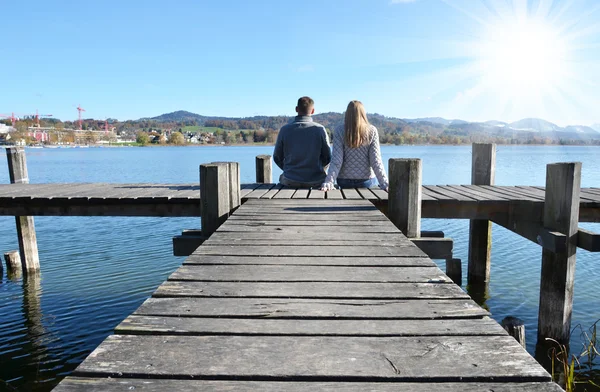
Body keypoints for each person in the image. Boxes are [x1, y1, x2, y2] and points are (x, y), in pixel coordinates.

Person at [321, 100, 388, 191]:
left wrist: (329, 181)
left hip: (344, 181)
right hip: (366, 181)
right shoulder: (372, 131)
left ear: (347, 113)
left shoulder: (339, 130)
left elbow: (337, 160)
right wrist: (385, 183)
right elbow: (376, 161)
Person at [273, 96, 332, 188]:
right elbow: (328, 157)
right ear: (313, 111)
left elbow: (277, 157)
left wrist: (289, 169)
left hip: (290, 180)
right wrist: (318, 169)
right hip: (316, 180)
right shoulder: (320, 129)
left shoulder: (285, 130)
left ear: (296, 109)